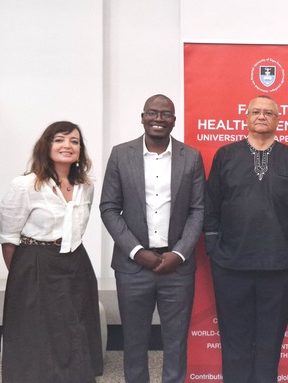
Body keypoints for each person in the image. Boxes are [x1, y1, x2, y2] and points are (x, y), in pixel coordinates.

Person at [204, 95, 288, 383]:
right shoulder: (225, 155)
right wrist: (214, 247)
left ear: (278, 120)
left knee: (270, 343)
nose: (261, 116)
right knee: (234, 341)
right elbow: (211, 204)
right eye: (256, 111)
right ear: (246, 117)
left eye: (268, 112)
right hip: (230, 265)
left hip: (280, 266)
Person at [100, 94, 204, 383]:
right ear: (142, 117)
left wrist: (180, 253)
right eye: (152, 113)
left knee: (176, 341)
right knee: (134, 342)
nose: (158, 119)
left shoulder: (191, 157)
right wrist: (135, 250)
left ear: (174, 120)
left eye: (165, 114)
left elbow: (198, 210)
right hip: (132, 267)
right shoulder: (121, 154)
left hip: (178, 266)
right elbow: (109, 208)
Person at [0, 121, 103, 382]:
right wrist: (24, 273)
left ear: (80, 150)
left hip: (75, 261)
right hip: (35, 262)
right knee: (38, 331)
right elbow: (8, 236)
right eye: (59, 139)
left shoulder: (85, 186)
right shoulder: (26, 185)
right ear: (47, 145)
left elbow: (79, 227)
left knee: (74, 327)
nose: (67, 145)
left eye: (74, 141)